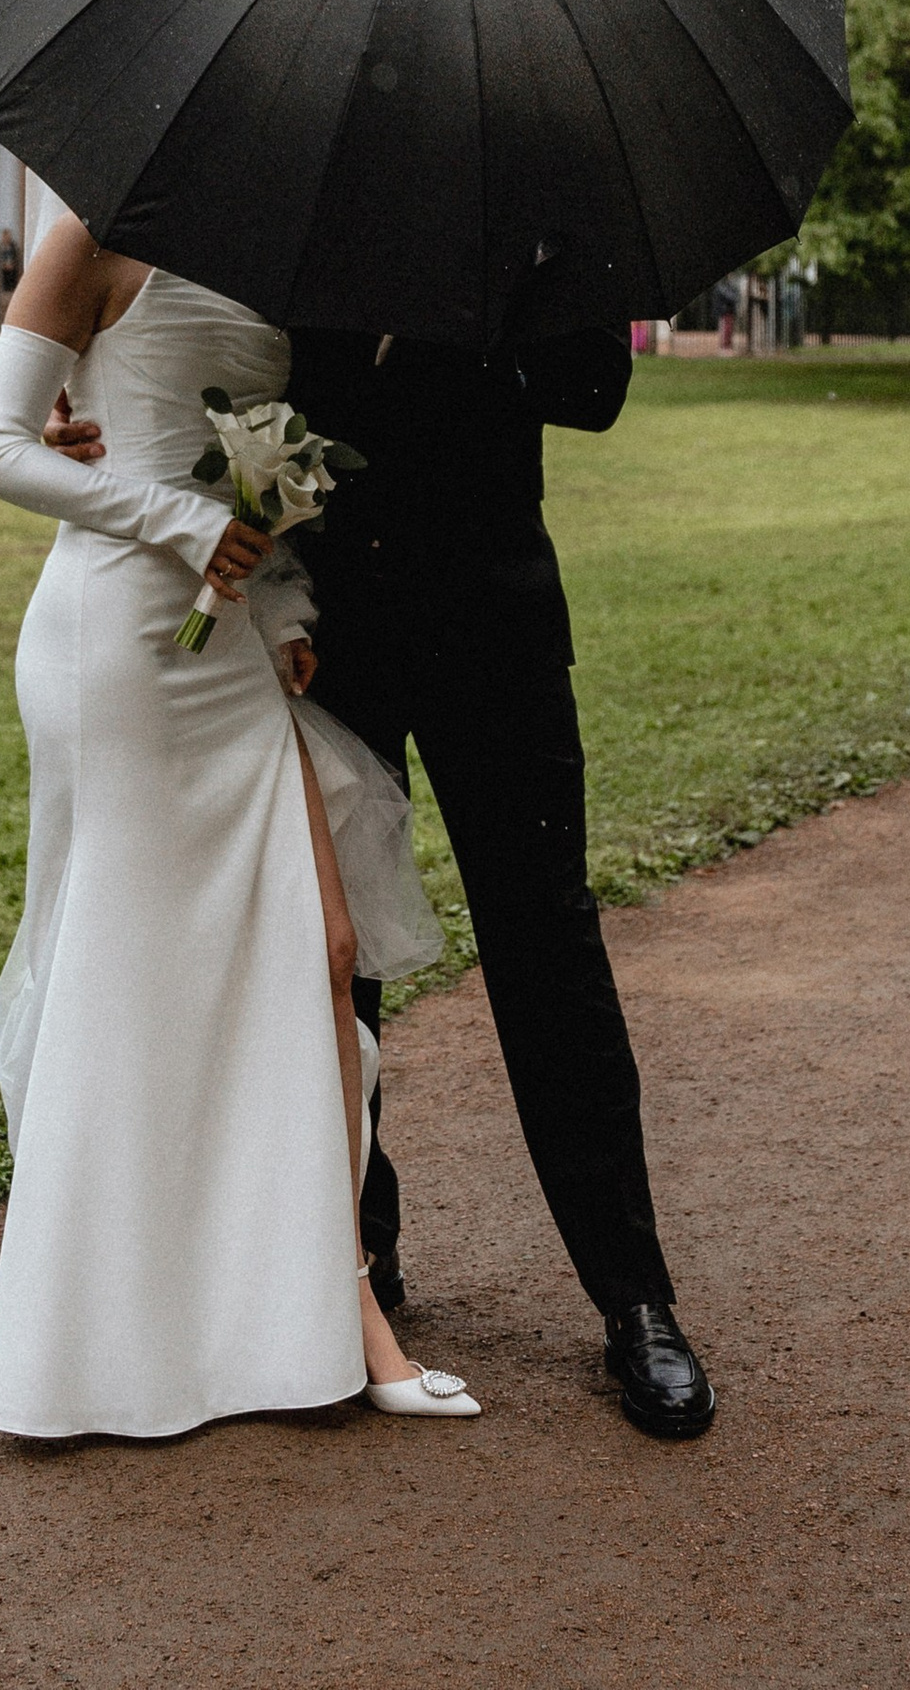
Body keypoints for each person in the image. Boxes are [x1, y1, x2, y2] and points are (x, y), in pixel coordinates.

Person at [0, 213, 475, 1439]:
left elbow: (248, 479)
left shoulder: (270, 245)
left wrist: (283, 598)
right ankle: (100, 1339)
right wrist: (184, 524)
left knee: (322, 955)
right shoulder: (88, 232)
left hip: (230, 639)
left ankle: (329, 1316)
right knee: (130, 982)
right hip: (119, 645)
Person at [283, 319, 717, 1443]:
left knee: (547, 945)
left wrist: (460, 315)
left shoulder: (526, 196)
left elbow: (594, 381)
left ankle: (634, 1299)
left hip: (494, 615)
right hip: (330, 626)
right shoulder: (300, 192)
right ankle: (362, 1268)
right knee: (343, 953)